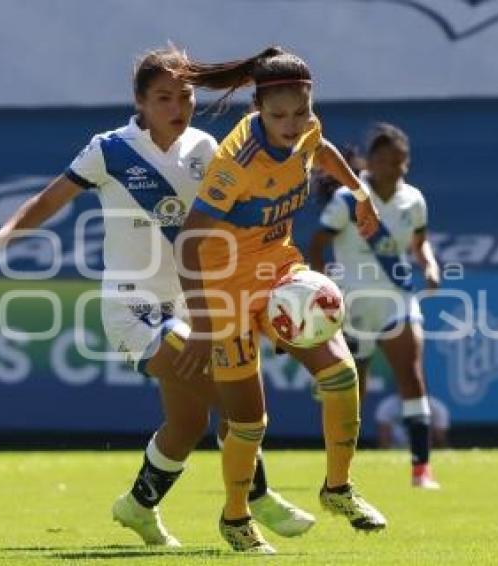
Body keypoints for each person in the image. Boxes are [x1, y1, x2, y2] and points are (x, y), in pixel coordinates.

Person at [0, 47, 313, 548]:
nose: (177, 106)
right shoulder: (110, 150)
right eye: (164, 97)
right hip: (134, 308)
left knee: (187, 424)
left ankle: (138, 506)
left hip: (195, 305)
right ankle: (255, 501)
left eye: (185, 96)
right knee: (231, 398)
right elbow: (48, 200)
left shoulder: (207, 149)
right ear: (140, 102)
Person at [171, 46, 387, 554]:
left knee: (340, 375)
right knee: (249, 421)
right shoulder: (236, 161)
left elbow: (323, 148)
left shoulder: (307, 129)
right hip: (225, 289)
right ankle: (235, 517)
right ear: (258, 110)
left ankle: (337, 488)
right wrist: (202, 324)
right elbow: (188, 242)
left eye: (301, 112)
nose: (292, 125)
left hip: (280, 272)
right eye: (278, 116)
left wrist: (359, 193)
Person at [310, 123, 442, 489]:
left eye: (399, 161)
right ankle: (339, 472)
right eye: (384, 160)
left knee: (413, 377)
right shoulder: (349, 198)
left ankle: (421, 469)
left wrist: (428, 265)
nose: (393, 168)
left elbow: (420, 243)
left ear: (407, 162)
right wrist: (322, 289)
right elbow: (318, 244)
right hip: (353, 305)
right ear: (370, 162)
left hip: (396, 301)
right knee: (352, 389)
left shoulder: (413, 199)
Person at [376, 393, 450, 449]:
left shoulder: (437, 408)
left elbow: (440, 441)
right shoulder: (386, 406)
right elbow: (384, 442)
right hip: (396, 452)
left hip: (427, 451)